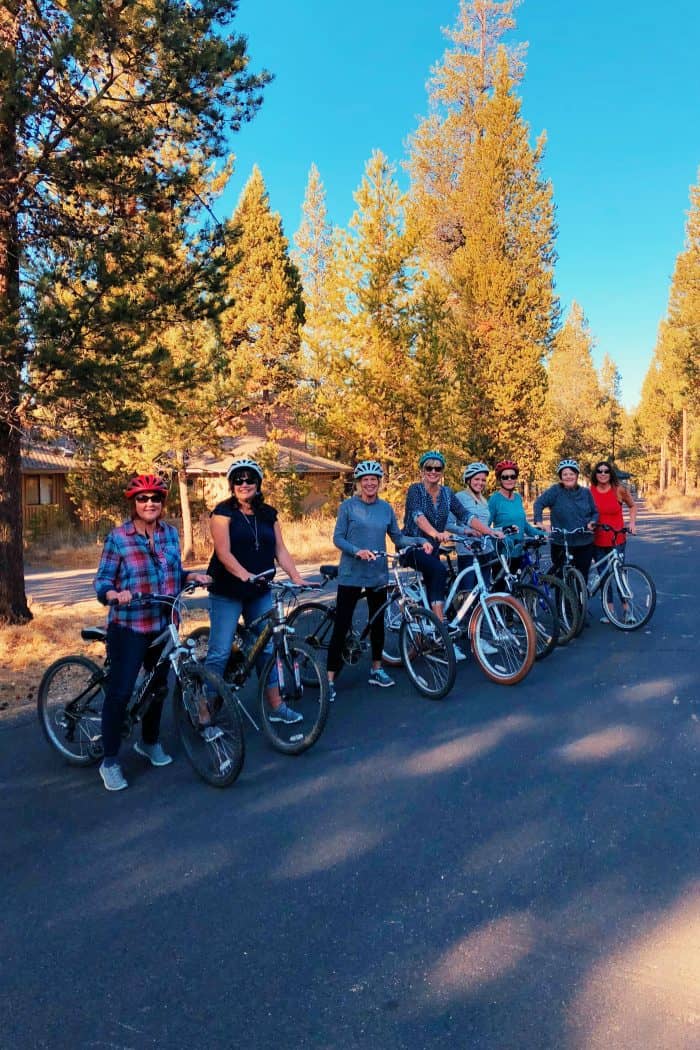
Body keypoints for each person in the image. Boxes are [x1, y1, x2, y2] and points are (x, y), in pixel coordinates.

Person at [93, 474, 211, 792]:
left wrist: (192, 576)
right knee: (121, 690)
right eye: (143, 499)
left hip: (164, 623)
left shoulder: (170, 534)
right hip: (130, 625)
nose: (150, 503)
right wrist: (114, 595)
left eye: (155, 498)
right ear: (134, 503)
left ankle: (149, 741)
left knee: (158, 686)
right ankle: (110, 761)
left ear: (162, 503)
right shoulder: (119, 537)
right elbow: (102, 580)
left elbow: (171, 571)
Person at [203, 457, 306, 727]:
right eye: (238, 479)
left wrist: (296, 577)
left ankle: (277, 706)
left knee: (266, 648)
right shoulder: (222, 513)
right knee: (220, 652)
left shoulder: (268, 513)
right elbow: (223, 552)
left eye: (250, 479)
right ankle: (205, 710)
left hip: (259, 589)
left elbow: (279, 550)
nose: (244, 484)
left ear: (258, 484)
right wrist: (244, 574)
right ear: (232, 484)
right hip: (228, 589)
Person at [326, 460, 432, 702]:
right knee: (342, 624)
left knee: (378, 623)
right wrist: (357, 551)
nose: (370, 483)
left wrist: (419, 542)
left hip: (377, 574)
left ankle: (376, 669)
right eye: (366, 480)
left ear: (379, 483)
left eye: (374, 479)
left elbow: (398, 537)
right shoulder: (348, 507)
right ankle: (329, 679)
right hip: (352, 573)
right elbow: (338, 538)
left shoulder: (385, 509)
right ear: (360, 483)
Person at [533, 458, 598, 580]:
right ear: (561, 477)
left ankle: (580, 598)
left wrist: (592, 522)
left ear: (577, 475)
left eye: (571, 474)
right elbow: (539, 503)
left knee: (582, 577)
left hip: (584, 541)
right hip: (560, 542)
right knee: (561, 577)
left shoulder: (586, 493)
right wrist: (539, 522)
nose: (568, 477)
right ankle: (562, 598)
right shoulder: (555, 491)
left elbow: (595, 512)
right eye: (565, 474)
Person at [589, 460, 637, 623]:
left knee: (619, 575)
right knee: (604, 576)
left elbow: (632, 506)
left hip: (617, 539)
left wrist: (631, 523)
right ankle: (610, 612)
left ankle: (627, 611)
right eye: (599, 471)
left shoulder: (619, 490)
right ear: (595, 474)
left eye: (606, 471)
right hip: (597, 540)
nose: (603, 474)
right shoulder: (590, 492)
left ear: (611, 474)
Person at [453, 462, 505, 582]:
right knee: (468, 593)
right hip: (468, 553)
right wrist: (466, 531)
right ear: (468, 480)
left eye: (483, 480)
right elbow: (448, 524)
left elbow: (485, 527)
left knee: (485, 592)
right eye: (476, 479)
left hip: (486, 551)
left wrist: (502, 529)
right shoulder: (459, 497)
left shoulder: (484, 500)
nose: (480, 483)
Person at [488, 459, 544, 572]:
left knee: (518, 587)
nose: (509, 479)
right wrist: (501, 535)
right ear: (500, 479)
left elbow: (524, 524)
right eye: (505, 477)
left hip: (518, 552)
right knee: (502, 588)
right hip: (503, 554)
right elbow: (486, 527)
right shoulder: (495, 499)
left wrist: (541, 534)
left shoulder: (518, 498)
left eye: (512, 476)